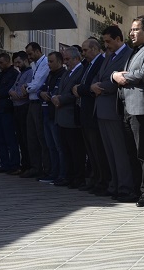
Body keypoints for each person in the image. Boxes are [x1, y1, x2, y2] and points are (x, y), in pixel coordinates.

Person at [112, 16, 144, 206]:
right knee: (131, 152)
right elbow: (121, 73)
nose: (131, 33)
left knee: (143, 153)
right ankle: (135, 189)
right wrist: (114, 75)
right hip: (126, 108)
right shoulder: (133, 51)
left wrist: (122, 77)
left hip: (140, 109)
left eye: (136, 29)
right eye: (131, 30)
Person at [91, 25, 134, 200]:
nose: (106, 45)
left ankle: (125, 187)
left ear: (118, 39)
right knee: (109, 151)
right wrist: (94, 85)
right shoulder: (108, 56)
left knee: (119, 151)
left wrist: (100, 87)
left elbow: (121, 79)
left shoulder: (128, 54)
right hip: (101, 109)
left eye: (108, 41)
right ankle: (114, 184)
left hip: (114, 109)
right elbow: (99, 76)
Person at [75, 38, 110, 194]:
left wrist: (80, 89)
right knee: (91, 151)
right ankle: (95, 179)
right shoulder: (87, 64)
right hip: (84, 113)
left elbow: (92, 87)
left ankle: (103, 181)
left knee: (98, 151)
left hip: (93, 113)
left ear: (95, 49)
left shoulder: (100, 62)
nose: (83, 53)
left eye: (85, 50)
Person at [53, 47, 86, 189]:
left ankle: (78, 178)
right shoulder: (67, 73)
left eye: (67, 59)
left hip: (72, 117)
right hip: (61, 117)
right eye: (64, 59)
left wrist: (61, 99)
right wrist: (55, 97)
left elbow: (75, 93)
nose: (65, 62)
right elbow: (59, 89)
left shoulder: (81, 71)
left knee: (76, 150)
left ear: (76, 58)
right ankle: (68, 176)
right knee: (65, 149)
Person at [20, 42, 50, 179]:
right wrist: (28, 86)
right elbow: (32, 84)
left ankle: (46, 168)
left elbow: (37, 85)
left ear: (38, 51)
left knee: (40, 137)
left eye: (31, 53)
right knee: (31, 137)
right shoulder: (34, 65)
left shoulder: (45, 64)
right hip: (31, 103)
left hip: (39, 103)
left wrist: (27, 88)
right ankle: (35, 167)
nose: (29, 57)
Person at [0, 52, 20, 174]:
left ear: (7, 61)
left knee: (10, 139)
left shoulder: (14, 74)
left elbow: (9, 89)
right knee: (0, 139)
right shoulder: (0, 76)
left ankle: (14, 165)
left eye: (1, 62)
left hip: (7, 110)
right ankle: (4, 164)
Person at [39, 51, 66, 184]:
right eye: (48, 61)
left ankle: (62, 174)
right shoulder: (50, 75)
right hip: (46, 114)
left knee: (59, 147)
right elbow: (42, 89)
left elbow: (57, 92)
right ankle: (53, 172)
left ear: (59, 62)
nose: (48, 64)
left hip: (55, 115)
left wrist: (48, 94)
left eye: (51, 61)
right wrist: (41, 93)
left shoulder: (63, 75)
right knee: (50, 146)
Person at [8, 51, 32, 175]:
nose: (17, 65)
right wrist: (12, 93)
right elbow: (12, 88)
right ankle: (24, 165)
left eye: (19, 62)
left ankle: (29, 165)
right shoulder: (20, 73)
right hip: (16, 108)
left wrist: (16, 94)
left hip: (24, 107)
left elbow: (24, 93)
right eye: (15, 63)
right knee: (20, 139)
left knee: (26, 138)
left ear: (25, 60)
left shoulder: (30, 73)